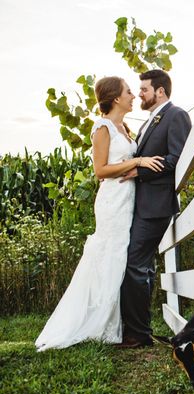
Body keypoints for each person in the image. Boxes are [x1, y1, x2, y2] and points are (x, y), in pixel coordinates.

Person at [35, 77, 164, 351]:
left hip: (128, 200)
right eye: (129, 92)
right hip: (112, 201)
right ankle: (98, 322)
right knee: (110, 257)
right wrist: (138, 161)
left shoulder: (124, 127)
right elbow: (100, 170)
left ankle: (117, 323)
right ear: (116, 98)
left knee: (120, 258)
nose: (133, 95)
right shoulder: (102, 127)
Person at [116, 69, 192, 348]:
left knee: (134, 264)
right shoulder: (151, 120)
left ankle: (137, 334)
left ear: (160, 91)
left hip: (157, 205)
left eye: (144, 89)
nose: (140, 94)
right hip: (142, 204)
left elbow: (177, 158)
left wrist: (140, 171)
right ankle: (139, 330)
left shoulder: (176, 115)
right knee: (141, 265)